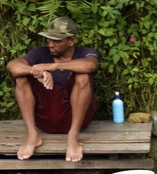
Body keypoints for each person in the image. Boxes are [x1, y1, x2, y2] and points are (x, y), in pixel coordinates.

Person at [7, 16, 98, 163]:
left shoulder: (85, 53)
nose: (51, 44)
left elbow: (91, 65)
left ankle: (73, 137)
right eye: (49, 40)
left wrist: (52, 66)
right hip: (44, 119)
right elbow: (13, 66)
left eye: (57, 41)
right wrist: (36, 71)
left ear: (71, 41)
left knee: (83, 76)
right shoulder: (40, 53)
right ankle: (32, 136)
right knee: (21, 78)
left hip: (76, 120)